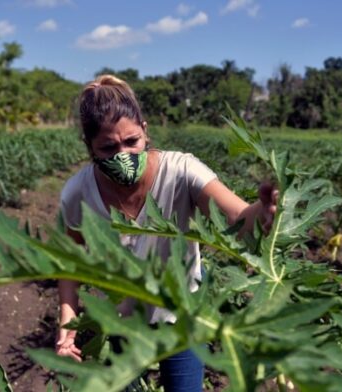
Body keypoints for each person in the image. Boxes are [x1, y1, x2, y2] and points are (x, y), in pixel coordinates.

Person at [56, 74, 277, 391]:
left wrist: (262, 214)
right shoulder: (78, 192)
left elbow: (238, 216)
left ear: (145, 132)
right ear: (89, 146)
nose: (123, 155)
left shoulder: (182, 171)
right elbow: (70, 263)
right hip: (120, 322)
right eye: (108, 147)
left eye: (132, 142)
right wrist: (68, 323)